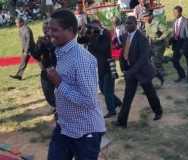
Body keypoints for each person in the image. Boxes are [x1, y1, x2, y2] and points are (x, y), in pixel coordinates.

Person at [46, 9, 106, 160]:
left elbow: (89, 100)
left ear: (70, 31)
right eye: (49, 29)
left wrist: (58, 83)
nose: (50, 33)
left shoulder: (81, 59)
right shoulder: (62, 52)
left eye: (55, 30)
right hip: (65, 126)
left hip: (85, 132)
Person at [113, 16, 163, 128]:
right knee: (127, 97)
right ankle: (122, 121)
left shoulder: (142, 38)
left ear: (135, 24)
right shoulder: (125, 35)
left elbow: (143, 59)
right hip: (130, 71)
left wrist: (132, 71)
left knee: (150, 94)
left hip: (142, 71)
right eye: (125, 23)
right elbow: (121, 48)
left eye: (129, 23)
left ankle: (158, 111)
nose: (127, 25)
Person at [78, 20, 122, 119]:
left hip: (108, 64)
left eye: (93, 27)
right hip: (99, 66)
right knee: (102, 89)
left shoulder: (105, 33)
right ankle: (118, 103)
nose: (91, 29)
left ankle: (112, 110)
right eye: (91, 27)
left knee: (107, 90)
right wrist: (81, 33)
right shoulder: (92, 33)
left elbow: (102, 48)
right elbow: (80, 41)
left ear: (99, 26)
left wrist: (91, 37)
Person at [31, 20, 56, 108]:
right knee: (48, 93)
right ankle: (55, 107)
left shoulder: (58, 38)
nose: (46, 31)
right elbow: (35, 55)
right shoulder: (42, 40)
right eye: (44, 29)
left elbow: (57, 52)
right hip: (46, 70)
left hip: (58, 70)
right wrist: (38, 45)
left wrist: (49, 45)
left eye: (47, 29)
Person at [143, 11, 169, 87]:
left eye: (146, 16)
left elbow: (166, 31)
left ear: (151, 16)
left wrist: (160, 38)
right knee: (152, 59)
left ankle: (160, 74)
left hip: (159, 44)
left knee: (155, 60)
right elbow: (147, 34)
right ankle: (164, 64)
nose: (145, 18)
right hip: (151, 44)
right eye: (144, 17)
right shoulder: (146, 23)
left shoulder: (157, 23)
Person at [170, 6, 188, 83]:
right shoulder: (174, 21)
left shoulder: (186, 22)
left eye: (176, 12)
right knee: (175, 61)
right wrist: (169, 41)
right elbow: (174, 34)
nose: (174, 14)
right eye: (173, 12)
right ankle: (182, 75)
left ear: (180, 12)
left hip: (186, 45)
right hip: (177, 45)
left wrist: (183, 49)